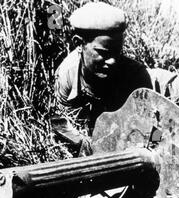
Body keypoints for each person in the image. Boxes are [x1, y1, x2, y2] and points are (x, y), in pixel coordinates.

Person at [52, 2, 153, 156]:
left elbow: (154, 127)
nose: (112, 61)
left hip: (165, 87)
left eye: (117, 52)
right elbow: (61, 122)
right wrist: (82, 142)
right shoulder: (67, 75)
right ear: (79, 43)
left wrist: (153, 141)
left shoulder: (137, 77)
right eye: (103, 53)